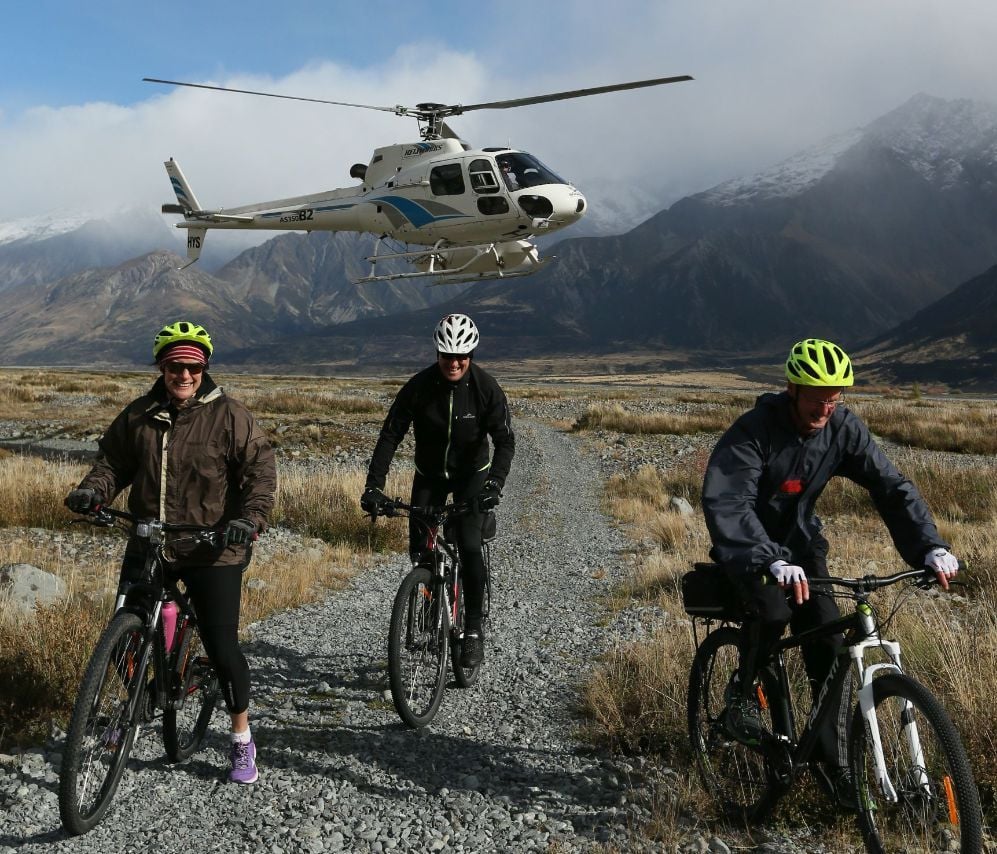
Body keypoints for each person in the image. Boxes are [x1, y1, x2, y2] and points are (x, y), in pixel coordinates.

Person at [701, 337, 959, 806]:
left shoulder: (841, 428)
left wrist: (929, 547)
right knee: (773, 611)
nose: (825, 409)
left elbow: (890, 486)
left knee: (827, 639)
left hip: (802, 547)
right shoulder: (755, 430)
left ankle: (833, 767)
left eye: (834, 400)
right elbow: (729, 500)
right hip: (751, 550)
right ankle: (742, 694)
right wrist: (767, 558)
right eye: (816, 399)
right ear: (792, 389)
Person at [64, 320, 276, 785]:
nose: (184, 375)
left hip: (213, 547)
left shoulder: (230, 416)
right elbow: (112, 464)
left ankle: (241, 738)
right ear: (161, 368)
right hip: (151, 540)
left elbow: (259, 474)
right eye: (175, 366)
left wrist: (248, 520)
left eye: (193, 367)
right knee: (123, 635)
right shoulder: (139, 415)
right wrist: (92, 491)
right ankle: (140, 703)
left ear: (204, 369)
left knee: (222, 649)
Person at [360, 313, 515, 667]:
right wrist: (374, 486)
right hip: (429, 476)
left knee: (469, 544)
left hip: (472, 477)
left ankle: (472, 629)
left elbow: (505, 441)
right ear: (438, 353)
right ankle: (430, 594)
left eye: (461, 356)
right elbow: (390, 436)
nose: (454, 363)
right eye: (448, 355)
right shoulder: (418, 387)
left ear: (471, 355)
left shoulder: (485, 388)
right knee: (420, 549)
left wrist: (494, 484)